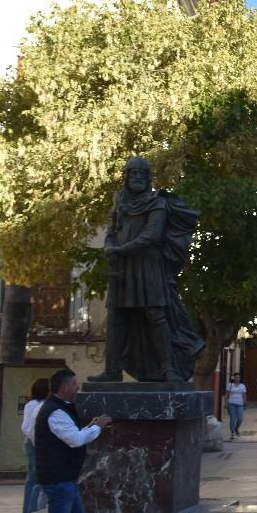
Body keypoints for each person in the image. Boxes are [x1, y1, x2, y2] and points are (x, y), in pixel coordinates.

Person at [89, 157, 203, 384]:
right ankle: (112, 371)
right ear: (126, 177)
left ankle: (168, 370)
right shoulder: (119, 201)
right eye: (133, 174)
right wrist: (110, 246)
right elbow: (112, 231)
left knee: (156, 317)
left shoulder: (157, 202)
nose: (137, 178)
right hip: (122, 268)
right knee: (117, 319)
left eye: (142, 174)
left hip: (149, 266)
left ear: (148, 177)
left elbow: (152, 235)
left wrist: (120, 249)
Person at [10, 369, 112, 513]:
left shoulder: (56, 409)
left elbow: (68, 435)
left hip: (65, 476)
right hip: (58, 478)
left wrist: (88, 427)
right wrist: (98, 427)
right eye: (75, 384)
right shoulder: (54, 411)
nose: (77, 387)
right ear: (64, 387)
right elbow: (74, 440)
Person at [20, 378, 50, 513]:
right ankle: (30, 511)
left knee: (34, 479)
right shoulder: (33, 404)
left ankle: (29, 511)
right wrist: (38, 442)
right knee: (35, 480)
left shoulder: (39, 403)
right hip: (33, 444)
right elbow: (27, 427)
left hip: (34, 443)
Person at [226, 373, 247, 439]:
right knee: (233, 418)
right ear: (233, 378)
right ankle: (232, 432)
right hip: (231, 403)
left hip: (240, 404)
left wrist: (244, 404)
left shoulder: (242, 386)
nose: (237, 379)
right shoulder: (230, 385)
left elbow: (244, 395)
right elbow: (227, 394)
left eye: (238, 377)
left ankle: (236, 428)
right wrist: (226, 403)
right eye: (236, 377)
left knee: (240, 418)